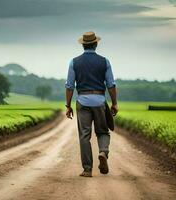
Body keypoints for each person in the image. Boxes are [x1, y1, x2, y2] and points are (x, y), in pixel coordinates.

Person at [65, 31, 118, 177]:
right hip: (100, 100)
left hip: (82, 101)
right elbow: (111, 84)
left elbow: (70, 86)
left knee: (84, 136)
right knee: (102, 131)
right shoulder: (105, 61)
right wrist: (114, 103)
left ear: (83, 45)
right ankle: (103, 152)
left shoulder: (74, 62)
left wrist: (68, 106)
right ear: (96, 44)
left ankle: (87, 169)